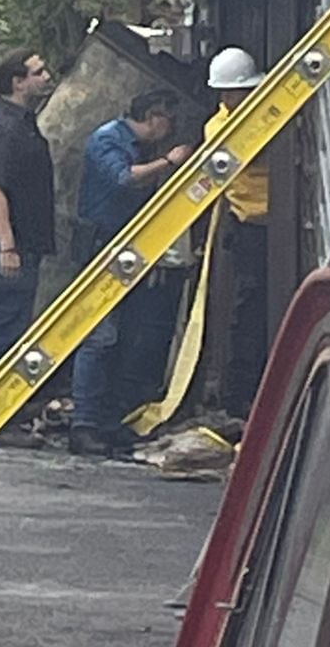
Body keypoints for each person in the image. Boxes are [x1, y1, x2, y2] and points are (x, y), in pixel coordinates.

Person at [69, 89, 192, 457]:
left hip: (124, 246)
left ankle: (109, 422)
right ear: (153, 116)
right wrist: (168, 163)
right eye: (167, 121)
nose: (168, 130)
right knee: (100, 337)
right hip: (101, 245)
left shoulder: (135, 146)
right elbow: (123, 178)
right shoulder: (109, 139)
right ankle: (85, 424)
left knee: (122, 336)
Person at [0, 49, 54, 442]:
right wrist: (7, 245)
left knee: (10, 327)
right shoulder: (5, 130)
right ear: (17, 82)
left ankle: (0, 414)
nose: (46, 76)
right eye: (38, 72)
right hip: (6, 245)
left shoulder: (22, 124)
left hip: (22, 242)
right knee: (3, 330)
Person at [204, 47, 268, 419]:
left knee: (260, 306)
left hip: (271, 223)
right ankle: (239, 392)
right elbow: (255, 152)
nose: (229, 98)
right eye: (225, 93)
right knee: (248, 309)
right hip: (250, 224)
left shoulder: (261, 112)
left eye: (234, 92)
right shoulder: (220, 126)